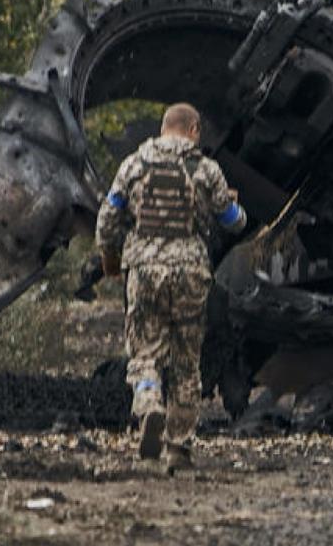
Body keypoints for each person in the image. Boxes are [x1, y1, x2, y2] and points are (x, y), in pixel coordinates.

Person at [95, 102, 248, 472]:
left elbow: (107, 220)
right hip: (190, 273)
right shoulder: (206, 170)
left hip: (145, 271)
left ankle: (149, 404)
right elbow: (234, 222)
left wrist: (111, 260)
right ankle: (178, 447)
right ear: (193, 129)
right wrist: (233, 205)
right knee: (186, 361)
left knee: (145, 353)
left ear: (163, 128)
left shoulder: (133, 165)